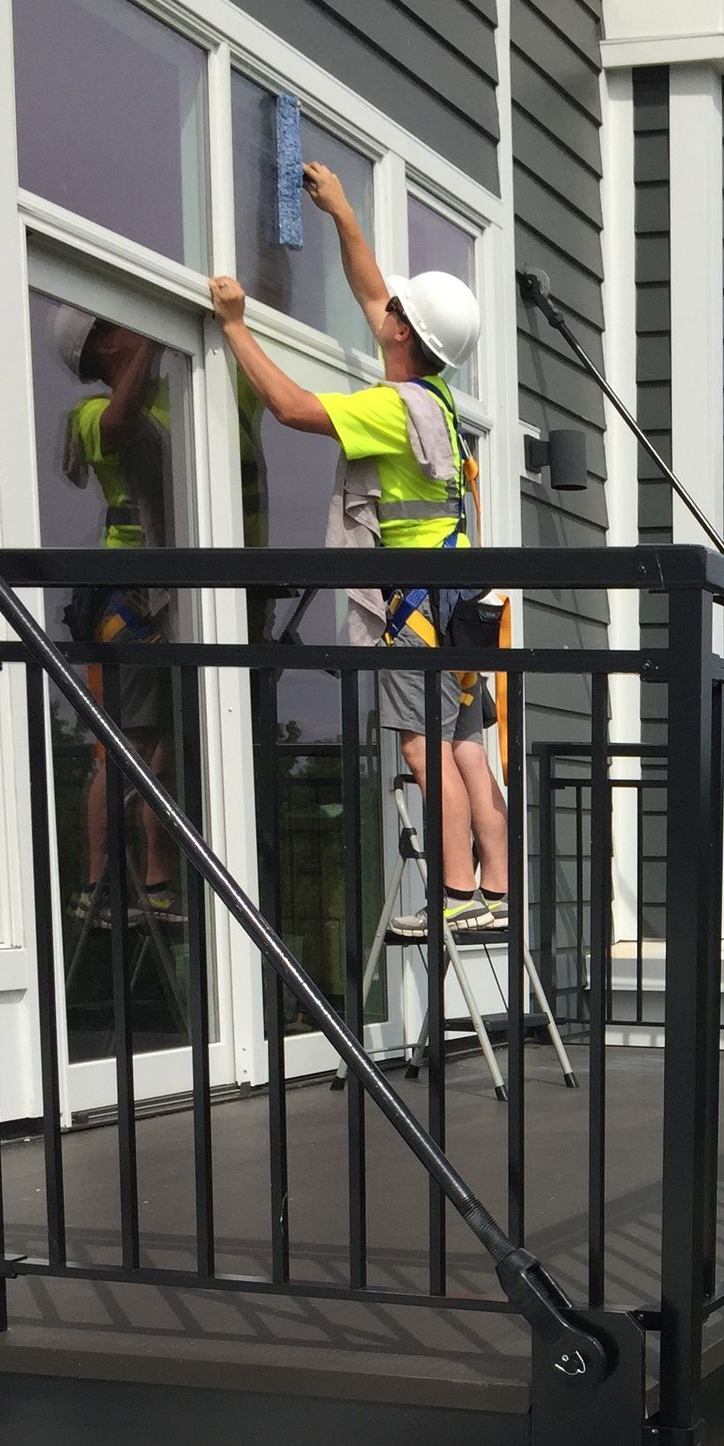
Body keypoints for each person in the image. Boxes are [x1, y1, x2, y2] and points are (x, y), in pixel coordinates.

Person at [209, 163, 508, 936]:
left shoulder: (387, 408)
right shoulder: (435, 398)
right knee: (470, 748)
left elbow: (291, 406)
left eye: (395, 314)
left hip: (413, 611)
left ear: (405, 333)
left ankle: (452, 897)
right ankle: (495, 893)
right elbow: (378, 295)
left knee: (421, 752)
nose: (384, 311)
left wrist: (238, 325)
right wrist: (343, 214)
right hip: (457, 606)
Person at [53, 308, 182, 925]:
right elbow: (120, 421)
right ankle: (100, 884)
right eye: (122, 323)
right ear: (100, 346)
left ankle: (155, 883)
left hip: (162, 593)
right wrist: (159, 333)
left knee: (158, 746)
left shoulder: (173, 404)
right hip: (126, 597)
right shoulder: (89, 415)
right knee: (125, 744)